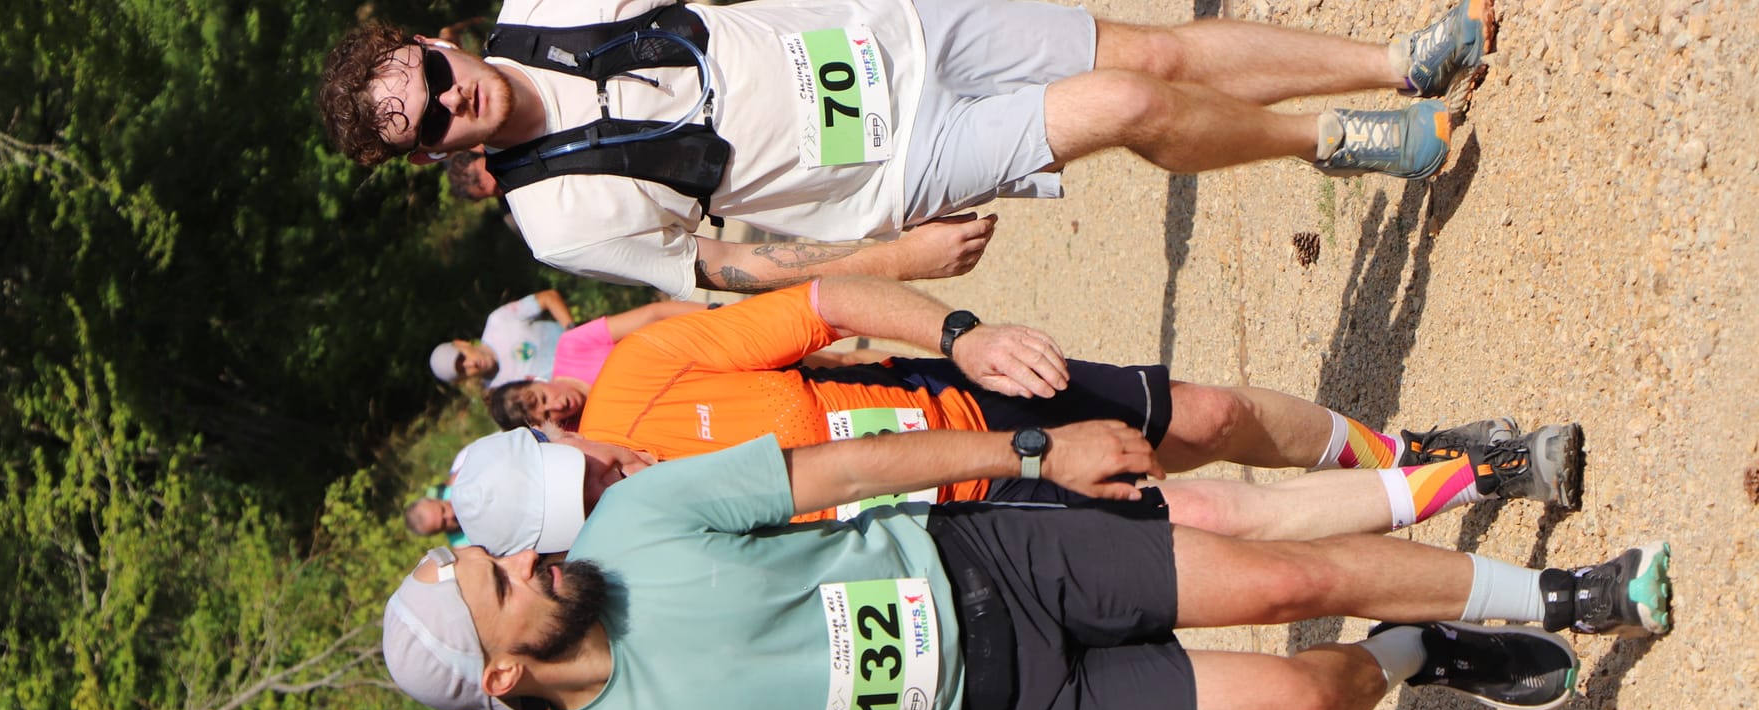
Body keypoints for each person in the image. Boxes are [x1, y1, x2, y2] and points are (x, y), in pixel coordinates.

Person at [381, 422, 1672, 710]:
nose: (532, 558)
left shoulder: (635, 522)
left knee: (1286, 572)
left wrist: (1030, 454)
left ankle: (1564, 590)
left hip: (992, 560)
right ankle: (1415, 652)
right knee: (1300, 700)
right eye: (502, 581)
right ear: (501, 677)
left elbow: (839, 469)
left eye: (506, 550)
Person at [318, 1, 1495, 296]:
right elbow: (725, 270)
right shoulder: (554, 217)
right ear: (425, 156)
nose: (440, 100)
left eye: (423, 77)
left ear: (431, 40)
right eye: (418, 121)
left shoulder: (552, 6)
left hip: (893, 29)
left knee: (1158, 56)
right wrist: (900, 264)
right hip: (891, 166)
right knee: (1122, 108)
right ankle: (1334, 140)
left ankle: (1394, 62)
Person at [472, 276, 1583, 543]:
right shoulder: (634, 540)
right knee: (1206, 519)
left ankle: (1404, 449)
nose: (609, 474)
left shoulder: (643, 376)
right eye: (585, 497)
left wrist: (962, 335)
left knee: (1203, 415)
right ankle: (1472, 481)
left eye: (587, 460)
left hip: (943, 397)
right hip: (960, 534)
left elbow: (822, 302)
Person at [485, 297, 710, 431]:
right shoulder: (583, 433)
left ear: (532, 379)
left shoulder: (572, 346)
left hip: (704, 352)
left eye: (543, 397)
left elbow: (655, 314)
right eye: (546, 417)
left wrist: (718, 313)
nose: (556, 406)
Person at [432, 289, 577, 386]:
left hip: (589, 343)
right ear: (461, 381)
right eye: (462, 370)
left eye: (462, 357)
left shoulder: (499, 321)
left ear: (461, 343)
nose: (471, 364)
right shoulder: (500, 393)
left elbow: (548, 297)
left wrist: (574, 333)